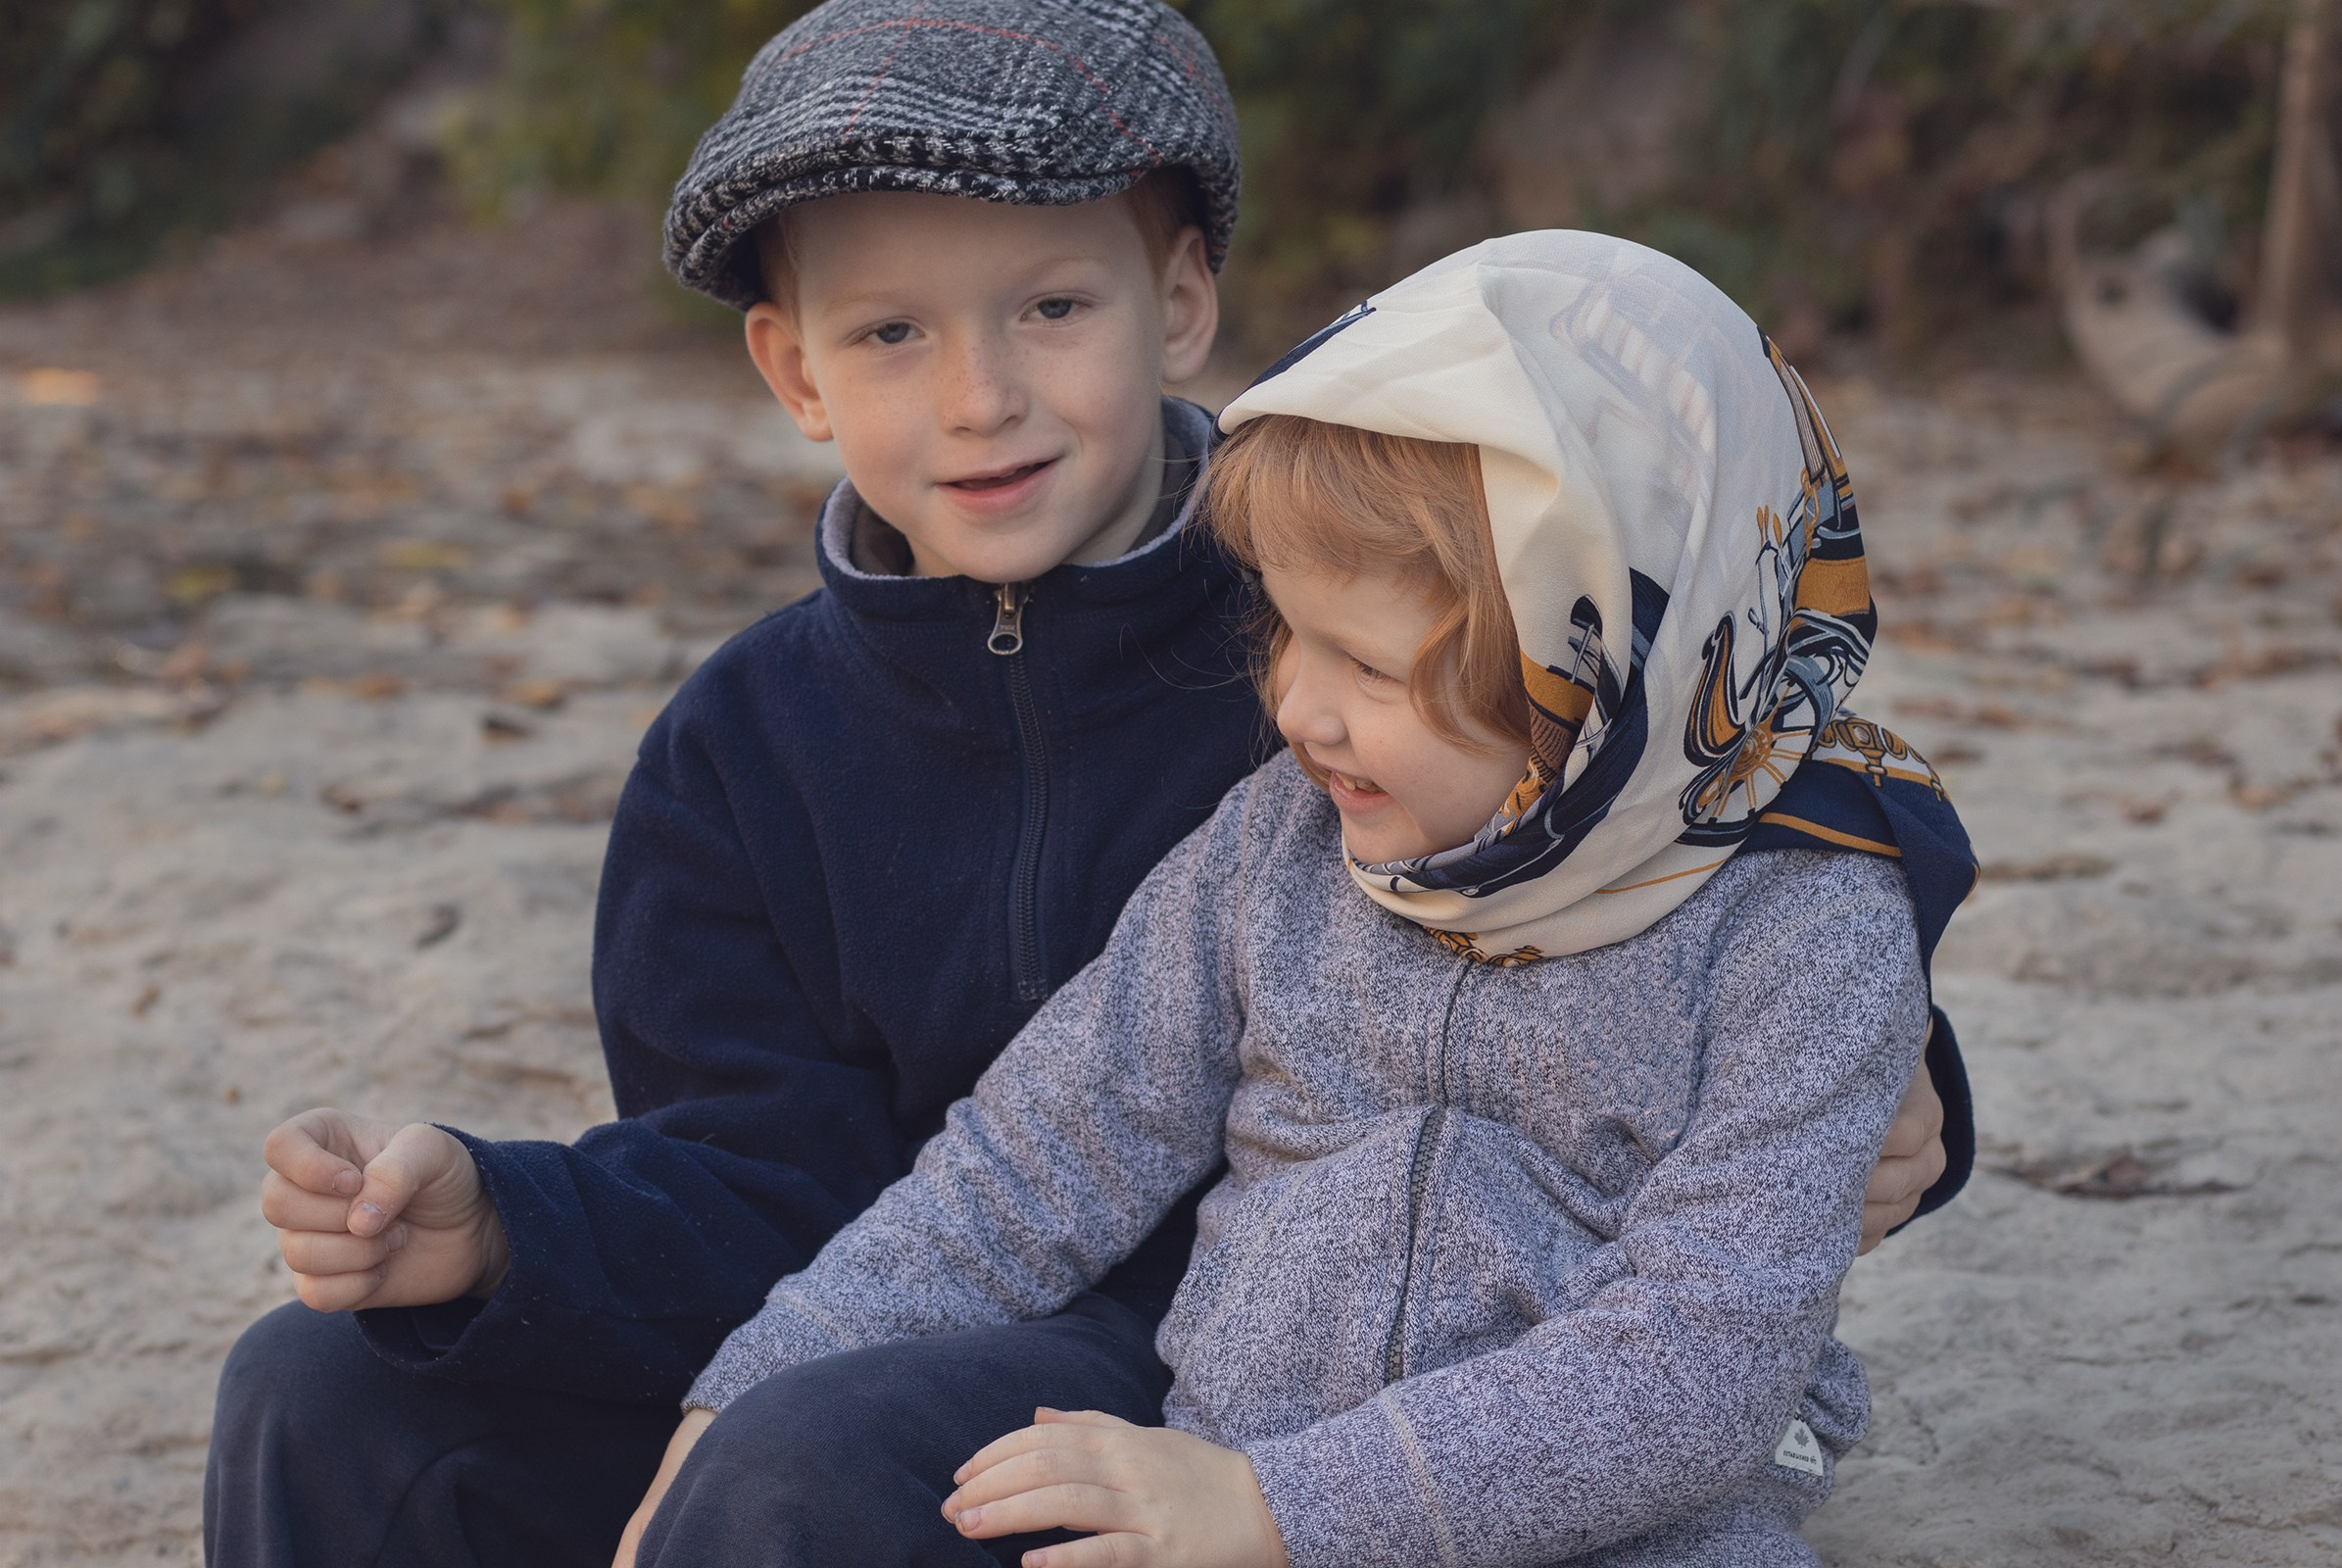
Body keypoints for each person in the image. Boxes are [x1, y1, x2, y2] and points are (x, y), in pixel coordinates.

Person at [202, 5, 1970, 1564]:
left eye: (1051, 305)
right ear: (794, 367)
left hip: (1228, 1345)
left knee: (807, 1464)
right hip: (910, 1289)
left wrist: (1905, 1082)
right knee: (320, 1386)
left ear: (1179, 301)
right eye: (891, 333)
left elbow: (1707, 817)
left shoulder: (1382, 583)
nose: (982, 397)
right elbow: (806, 1178)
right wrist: (515, 1233)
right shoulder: (744, 750)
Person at [619, 229, 1977, 1567]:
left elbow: (1704, 1361)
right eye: (1286, 632)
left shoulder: (1807, 925)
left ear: (1610, 671)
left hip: (1627, 1522)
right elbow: (1037, 1157)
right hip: (1223, 1461)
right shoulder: (1279, 840)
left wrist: (1284, 1512)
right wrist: (744, 1392)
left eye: (1370, 668)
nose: (1297, 712)